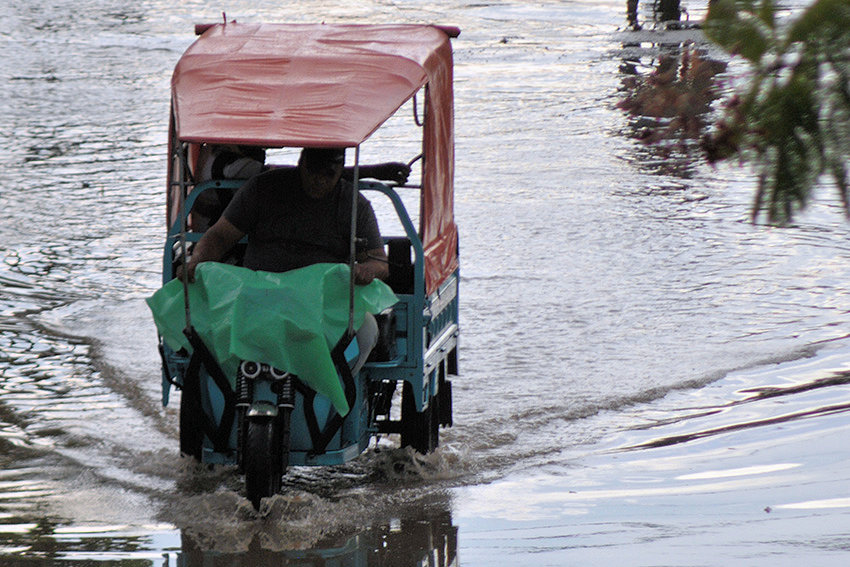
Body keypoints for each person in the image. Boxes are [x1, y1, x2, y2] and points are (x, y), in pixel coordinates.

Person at [181, 147, 390, 373]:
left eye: (328, 174)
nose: (319, 181)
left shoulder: (355, 205)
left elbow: (379, 261)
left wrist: (366, 270)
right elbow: (219, 236)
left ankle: (339, 393)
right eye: (313, 172)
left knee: (366, 331)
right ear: (301, 163)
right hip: (258, 295)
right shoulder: (262, 188)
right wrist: (196, 260)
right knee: (201, 331)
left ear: (340, 171)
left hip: (324, 302)